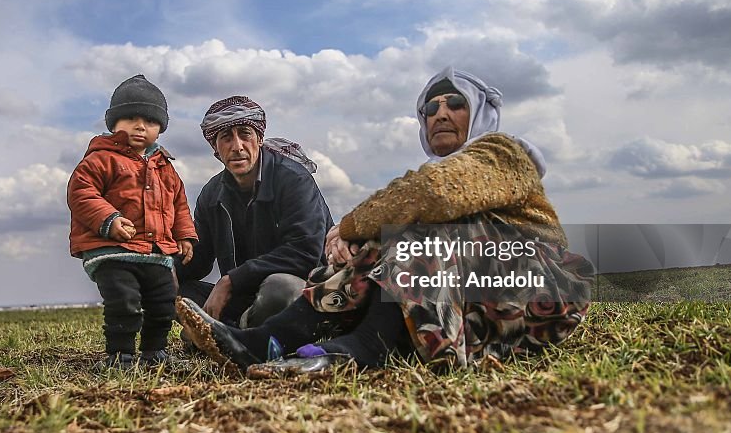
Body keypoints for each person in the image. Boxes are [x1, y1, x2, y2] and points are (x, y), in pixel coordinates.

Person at [177, 67, 595, 376]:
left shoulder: (505, 153)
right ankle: (264, 342)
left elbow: (435, 192)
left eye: (456, 104)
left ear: (482, 113)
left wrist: (353, 225)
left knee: (414, 229)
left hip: (539, 295)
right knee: (387, 238)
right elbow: (423, 197)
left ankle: (366, 345)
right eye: (431, 107)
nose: (441, 113)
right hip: (473, 305)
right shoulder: (214, 193)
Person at [67, 74, 197, 371]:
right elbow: (81, 193)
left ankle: (155, 353)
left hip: (155, 253)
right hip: (113, 251)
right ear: (113, 124)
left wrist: (185, 236)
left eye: (150, 121)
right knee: (124, 303)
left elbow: (178, 203)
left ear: (160, 129)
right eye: (131, 118)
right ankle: (120, 356)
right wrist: (109, 220)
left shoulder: (164, 166)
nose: (141, 126)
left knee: (164, 304)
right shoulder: (100, 159)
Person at [176, 95, 334, 330]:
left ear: (259, 138)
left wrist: (231, 280)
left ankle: (229, 333)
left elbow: (304, 253)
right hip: (243, 296)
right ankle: (233, 329)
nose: (237, 146)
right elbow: (199, 259)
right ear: (216, 149)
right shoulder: (211, 194)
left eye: (245, 133)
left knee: (281, 287)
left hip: (306, 291)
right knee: (172, 289)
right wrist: (166, 269)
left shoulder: (294, 179)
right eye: (226, 138)